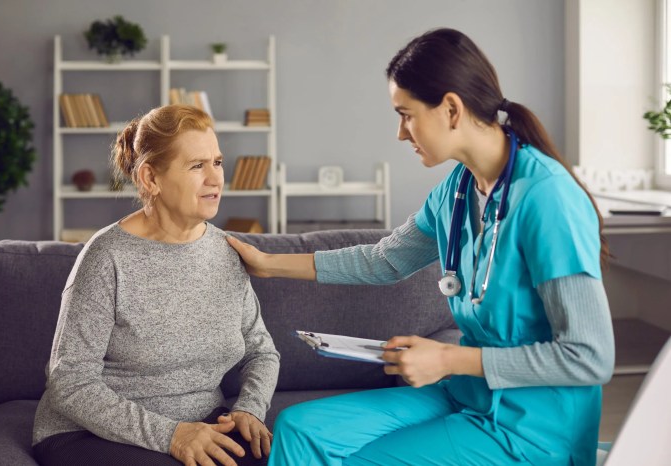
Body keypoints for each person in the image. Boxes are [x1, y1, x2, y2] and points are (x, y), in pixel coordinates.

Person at [226, 28, 614, 466]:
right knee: (299, 429)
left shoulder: (548, 199)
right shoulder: (459, 190)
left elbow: (589, 358)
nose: (400, 132)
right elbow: (385, 259)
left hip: (536, 428)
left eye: (406, 114)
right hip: (469, 394)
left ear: (451, 109)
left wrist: (449, 357)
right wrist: (267, 263)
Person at [32, 104, 280, 466]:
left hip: (200, 424)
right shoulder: (107, 256)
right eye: (197, 165)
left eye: (218, 162)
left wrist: (250, 409)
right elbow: (68, 381)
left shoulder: (226, 252)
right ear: (150, 178)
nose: (215, 178)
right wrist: (170, 436)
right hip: (88, 432)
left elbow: (261, 351)